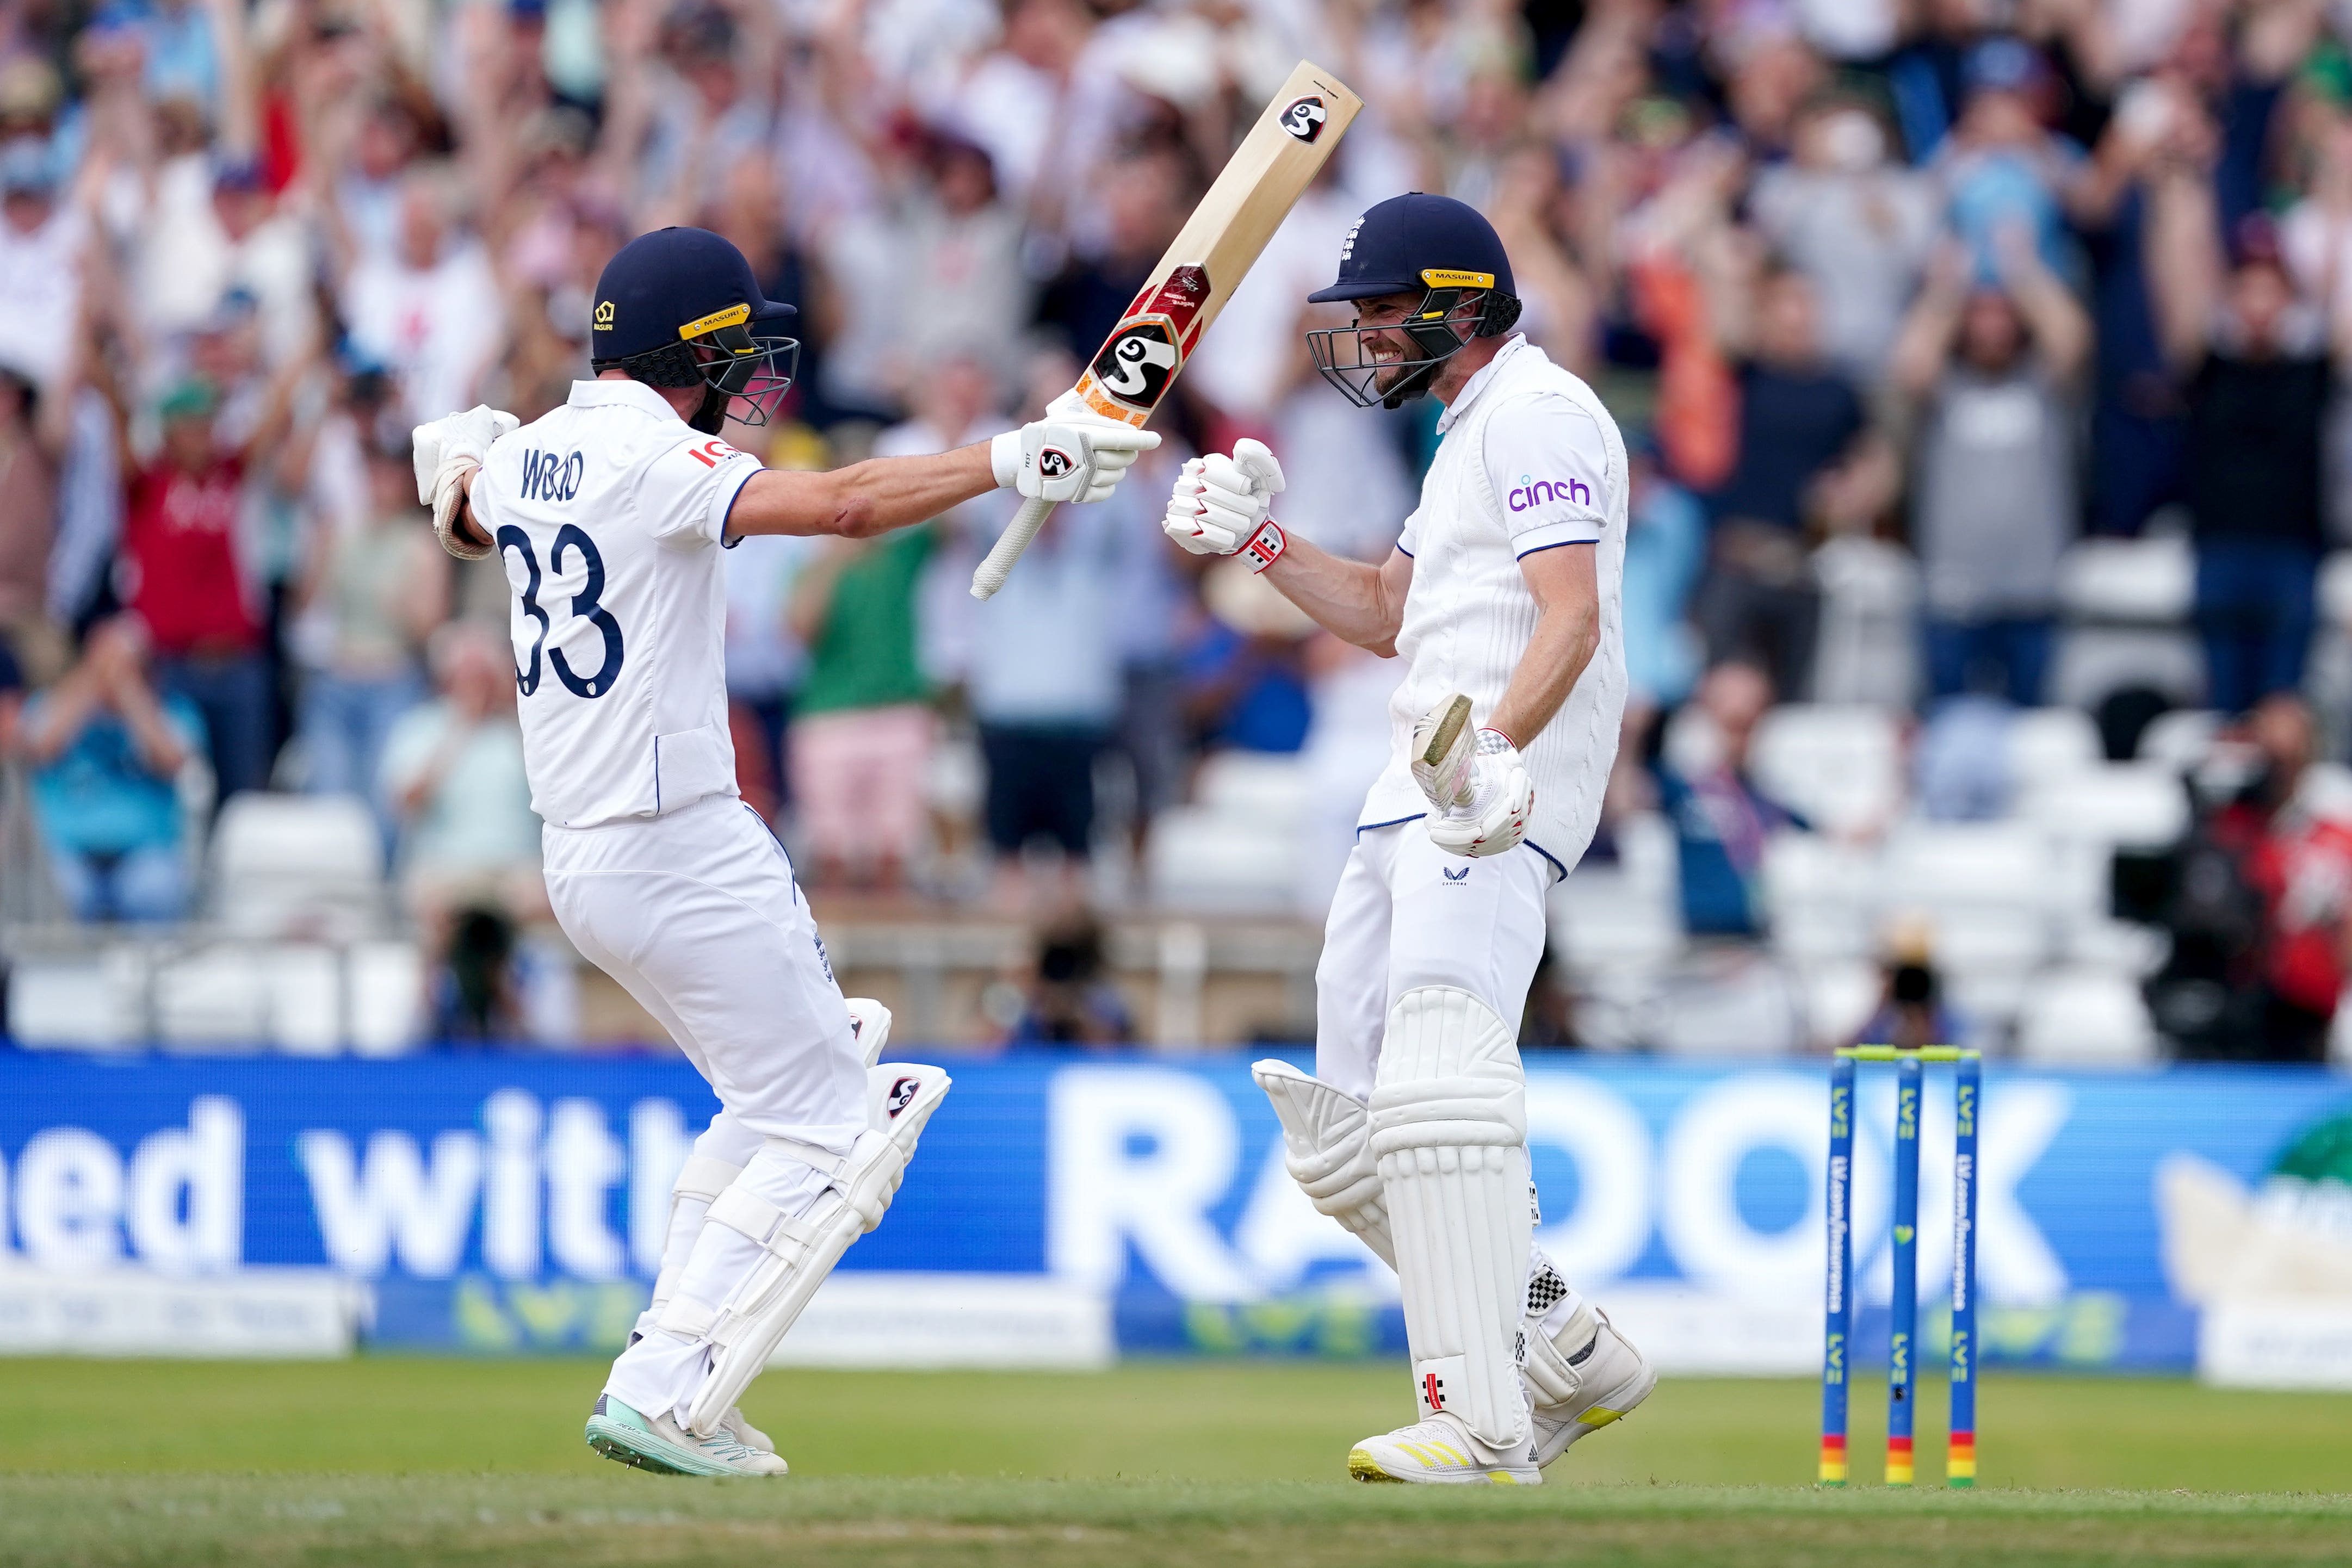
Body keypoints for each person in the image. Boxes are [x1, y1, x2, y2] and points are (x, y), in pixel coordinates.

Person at [414, 225, 1156, 1477]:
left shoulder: (530, 449)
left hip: (583, 858)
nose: (753, 370)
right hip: (678, 842)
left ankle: (688, 1370)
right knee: (839, 1123)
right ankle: (663, 1384)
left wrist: (460, 472)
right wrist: (1004, 455)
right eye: (735, 347)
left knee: (779, 1099)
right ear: (689, 351)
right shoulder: (656, 452)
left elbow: (461, 509)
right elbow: (849, 503)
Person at [1161, 194, 1653, 1485]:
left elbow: (1568, 618)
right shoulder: (1464, 431)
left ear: (1458, 305)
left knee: (1440, 1086)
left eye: (1384, 314)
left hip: (1487, 797)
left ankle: (1478, 1418)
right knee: (1346, 1135)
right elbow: (1389, 610)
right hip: (1408, 783)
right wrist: (1258, 542)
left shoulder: (1544, 413)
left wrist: (1486, 751)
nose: (1366, 338)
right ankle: (1561, 1340)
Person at [13, 617, 203, 923]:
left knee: (154, 891)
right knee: (67, 890)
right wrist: (91, 682)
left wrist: (129, 692)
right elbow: (39, 749)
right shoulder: (52, 703)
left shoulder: (173, 710)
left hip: (147, 851)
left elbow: (172, 761)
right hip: (69, 852)